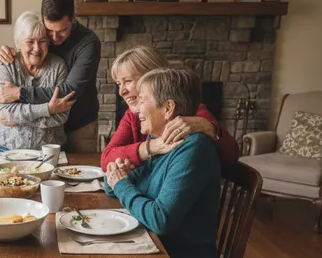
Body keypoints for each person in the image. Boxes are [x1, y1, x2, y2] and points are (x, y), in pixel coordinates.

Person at [105, 67, 220, 258]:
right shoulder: (159, 141)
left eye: (142, 100)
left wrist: (122, 184)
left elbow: (160, 219)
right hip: (154, 251)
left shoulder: (193, 149)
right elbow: (118, 186)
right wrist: (118, 179)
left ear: (167, 108)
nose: (135, 108)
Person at [0, 0, 101, 152]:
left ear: (73, 18)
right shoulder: (17, 55)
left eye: (62, 30)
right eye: (49, 32)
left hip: (79, 124)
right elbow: (6, 110)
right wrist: (46, 110)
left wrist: (20, 94)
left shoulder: (88, 43)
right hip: (36, 136)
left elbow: (66, 92)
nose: (55, 38)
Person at [101, 46, 239, 171]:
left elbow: (231, 156)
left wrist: (209, 128)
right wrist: (152, 147)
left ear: (153, 77)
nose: (121, 92)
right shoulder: (132, 116)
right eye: (119, 84)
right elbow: (106, 159)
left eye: (128, 81)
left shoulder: (193, 112)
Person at [0, 11, 71, 152]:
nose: (37, 48)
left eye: (42, 41)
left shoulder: (58, 66)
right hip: (5, 146)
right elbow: (6, 111)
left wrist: (18, 118)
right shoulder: (7, 63)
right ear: (19, 42)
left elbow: (61, 115)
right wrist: (47, 109)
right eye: (30, 42)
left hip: (48, 149)